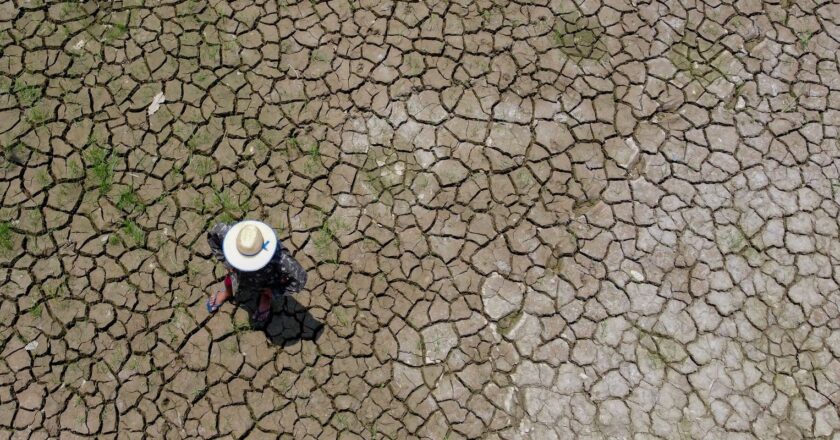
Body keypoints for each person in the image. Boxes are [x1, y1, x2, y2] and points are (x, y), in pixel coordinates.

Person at [205, 220, 307, 327]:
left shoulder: (279, 256)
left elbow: (300, 278)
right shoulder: (228, 233)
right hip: (237, 274)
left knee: (265, 290)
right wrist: (228, 264)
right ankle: (227, 293)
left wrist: (274, 292)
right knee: (229, 281)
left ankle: (265, 298)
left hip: (266, 280)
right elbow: (212, 236)